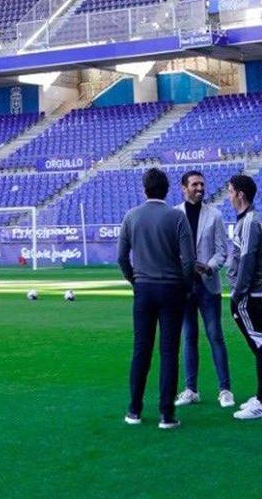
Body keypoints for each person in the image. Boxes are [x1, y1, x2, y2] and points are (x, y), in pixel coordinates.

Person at [118, 168, 196, 430]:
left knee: (141, 350)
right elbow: (189, 260)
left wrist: (135, 281)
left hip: (144, 289)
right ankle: (166, 414)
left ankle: (134, 410)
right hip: (172, 289)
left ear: (145, 189)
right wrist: (186, 287)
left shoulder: (131, 216)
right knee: (169, 352)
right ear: (167, 190)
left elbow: (121, 258)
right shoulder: (177, 217)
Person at [173, 170, 234, 409]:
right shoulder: (174, 215)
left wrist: (208, 267)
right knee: (189, 337)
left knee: (215, 335)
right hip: (184, 287)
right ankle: (191, 389)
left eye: (202, 185)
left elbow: (222, 251)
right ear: (184, 188)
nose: (199, 188)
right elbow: (172, 250)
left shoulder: (215, 215)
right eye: (194, 185)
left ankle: (225, 390)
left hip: (208, 285)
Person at [225, 173, 262, 420]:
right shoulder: (250, 220)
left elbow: (247, 259)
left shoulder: (249, 222)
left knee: (261, 344)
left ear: (240, 194)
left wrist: (238, 293)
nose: (228, 196)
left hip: (247, 294)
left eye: (230, 191)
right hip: (251, 293)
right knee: (261, 342)